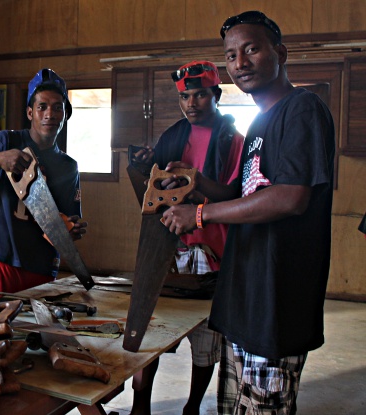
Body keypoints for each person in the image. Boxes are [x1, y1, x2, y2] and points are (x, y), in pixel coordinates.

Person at [161, 11, 335, 414]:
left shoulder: (302, 109)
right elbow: (246, 194)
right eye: (231, 55)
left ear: (281, 53)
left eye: (252, 49)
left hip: (276, 304)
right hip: (245, 298)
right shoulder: (259, 123)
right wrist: (197, 181)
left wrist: (200, 216)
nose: (240, 63)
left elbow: (290, 197)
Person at [128, 61, 244, 415]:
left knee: (205, 341)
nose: (192, 103)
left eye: (200, 95)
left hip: (214, 253)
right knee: (150, 330)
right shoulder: (174, 135)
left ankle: (192, 407)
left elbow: (236, 196)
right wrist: (145, 167)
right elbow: (153, 193)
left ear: (217, 95)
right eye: (185, 97)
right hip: (171, 248)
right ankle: (140, 408)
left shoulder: (235, 141)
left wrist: (194, 180)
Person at [0, 68, 87, 302]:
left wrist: (72, 228)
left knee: (37, 337)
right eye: (42, 107)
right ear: (30, 112)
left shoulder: (69, 166)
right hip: (4, 263)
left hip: (44, 268)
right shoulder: (6, 141)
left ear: (65, 115)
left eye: (57, 107)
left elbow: (65, 226)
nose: (49, 114)